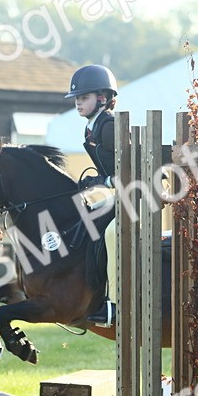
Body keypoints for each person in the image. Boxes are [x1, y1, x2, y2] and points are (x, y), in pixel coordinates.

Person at [65, 64, 119, 326]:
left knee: (110, 233)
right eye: (76, 99)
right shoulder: (92, 128)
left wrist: (103, 180)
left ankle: (114, 305)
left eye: (83, 98)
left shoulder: (109, 127)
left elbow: (129, 170)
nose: (78, 103)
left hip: (141, 193)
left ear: (103, 98)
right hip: (119, 194)